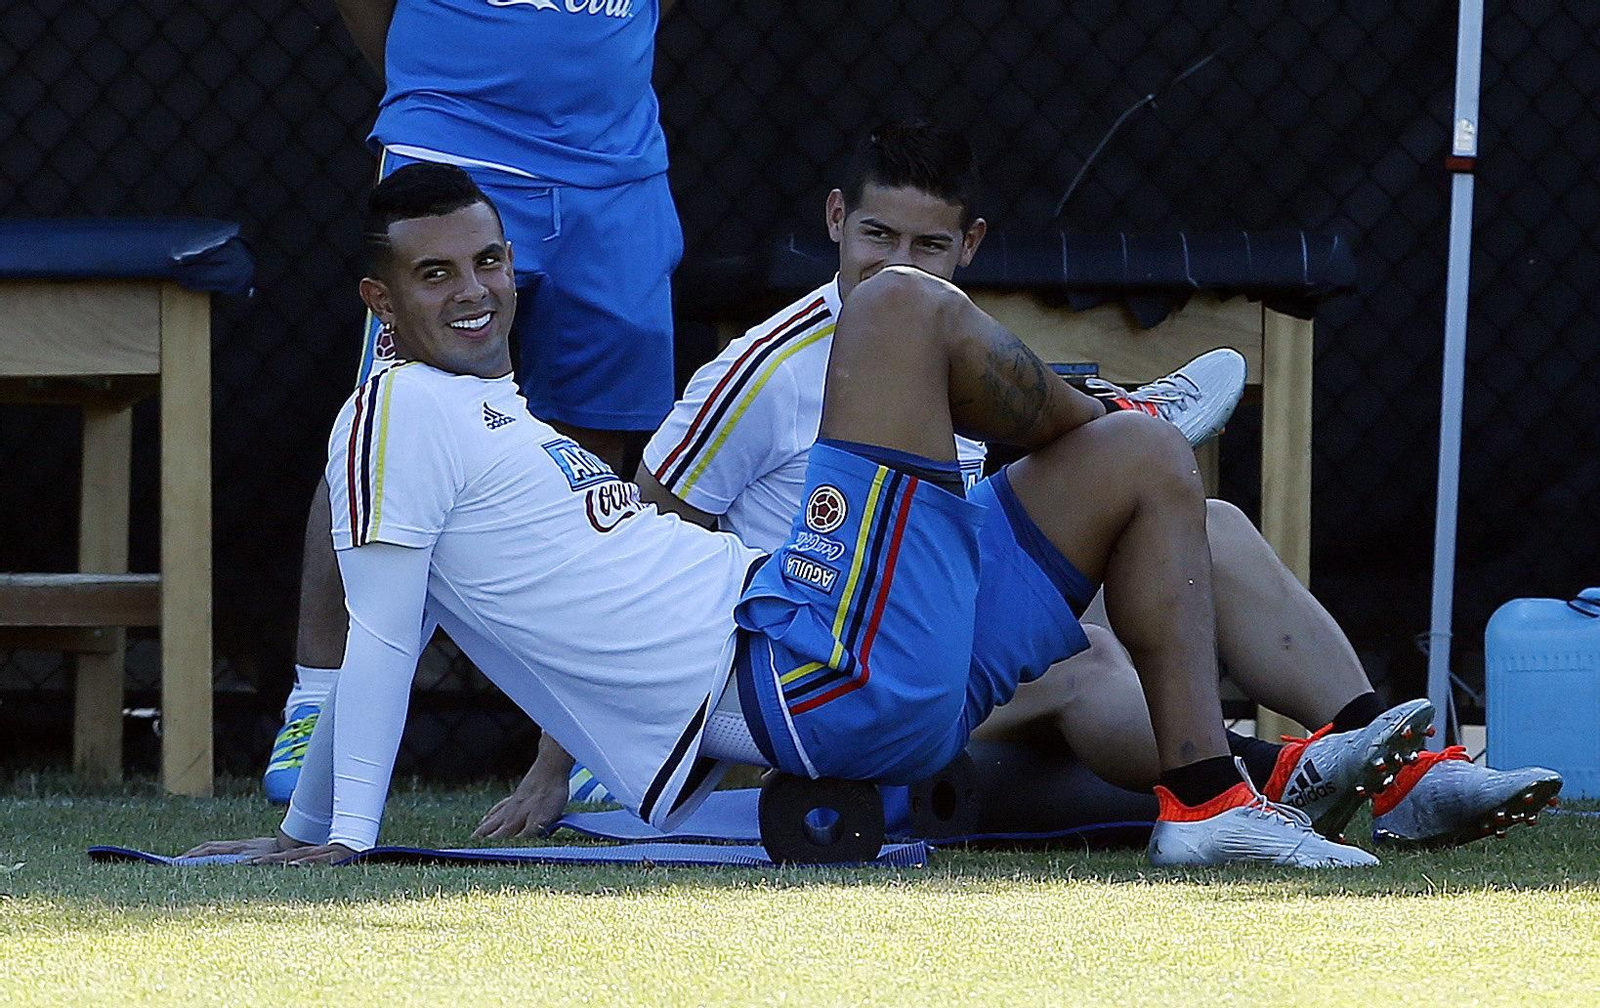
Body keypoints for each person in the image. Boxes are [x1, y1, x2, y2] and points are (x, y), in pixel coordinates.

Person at [188, 162, 1424, 868]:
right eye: (434, 274)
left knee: (1147, 469)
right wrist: (337, 837)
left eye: (488, 262)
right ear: (378, 297)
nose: (473, 291)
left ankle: (1208, 806)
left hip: (852, 647)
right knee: (894, 305)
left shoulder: (498, 413)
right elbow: (383, 634)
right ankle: (1087, 402)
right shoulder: (390, 413)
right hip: (802, 669)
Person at [474, 121, 1563, 850]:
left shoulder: (950, 337)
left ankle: (1398, 767)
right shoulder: (762, 365)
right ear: (831, 223)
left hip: (926, 615)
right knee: (1089, 653)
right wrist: (554, 763)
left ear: (970, 245)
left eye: (926, 245)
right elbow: (633, 554)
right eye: (874, 236)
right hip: (828, 661)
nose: (893, 263)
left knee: (1197, 511)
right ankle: (1279, 774)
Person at [264, 0, 685, 802]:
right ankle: (318, 701)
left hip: (617, 164)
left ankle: (585, 736)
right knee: (389, 427)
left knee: (592, 451)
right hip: (456, 141)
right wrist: (438, 83)